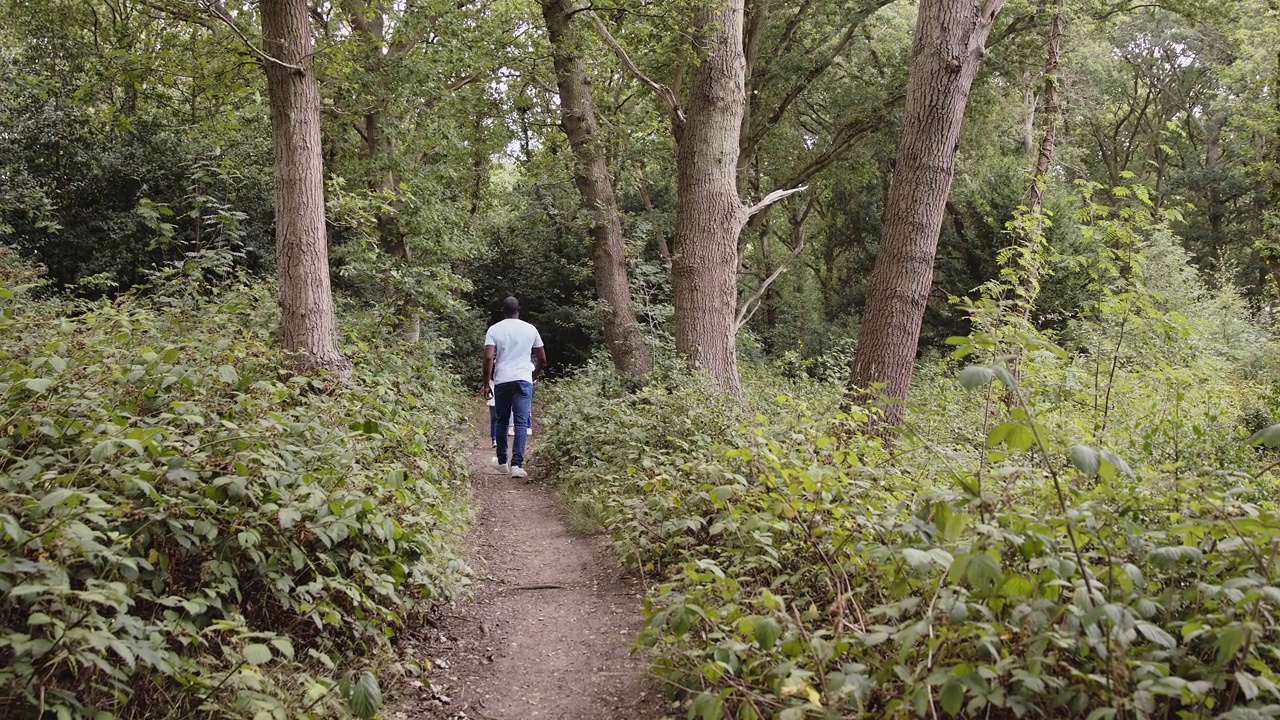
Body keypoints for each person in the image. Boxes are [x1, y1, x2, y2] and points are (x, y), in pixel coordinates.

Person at [482, 297, 545, 478]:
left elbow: (488, 357)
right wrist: (533, 375)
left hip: (502, 380)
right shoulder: (530, 329)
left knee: (501, 420)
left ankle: (502, 462)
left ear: (503, 310)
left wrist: (487, 383)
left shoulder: (494, 329)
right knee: (521, 422)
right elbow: (542, 358)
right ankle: (517, 465)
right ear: (519, 310)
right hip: (523, 379)